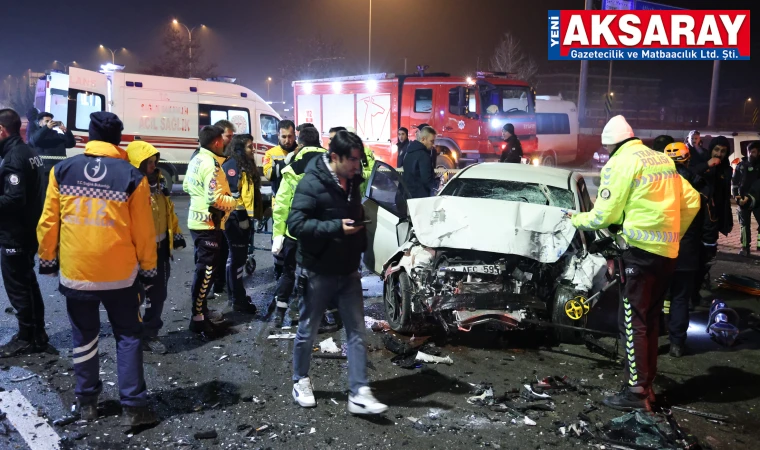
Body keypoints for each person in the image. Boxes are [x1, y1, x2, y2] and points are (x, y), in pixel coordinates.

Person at [569, 115, 700, 411]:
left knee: (632, 322)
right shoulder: (660, 160)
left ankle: (637, 392)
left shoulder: (621, 162)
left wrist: (576, 219)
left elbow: (605, 215)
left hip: (638, 255)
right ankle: (647, 386)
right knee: (650, 321)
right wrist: (673, 232)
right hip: (666, 254)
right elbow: (692, 200)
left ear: (612, 145)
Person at [37, 111, 159, 425]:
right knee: (129, 335)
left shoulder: (63, 170)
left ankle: (87, 402)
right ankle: (134, 407)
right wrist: (148, 271)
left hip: (77, 273)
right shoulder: (132, 176)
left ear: (89, 137)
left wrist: (48, 260)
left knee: (84, 337)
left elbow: (49, 220)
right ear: (119, 140)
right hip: (121, 276)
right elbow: (143, 232)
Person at [287, 130, 387, 415]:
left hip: (348, 269)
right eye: (353, 160)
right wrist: (335, 228)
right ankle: (300, 380)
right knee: (308, 329)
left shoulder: (353, 181)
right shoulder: (311, 182)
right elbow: (296, 225)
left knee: (356, 331)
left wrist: (359, 241)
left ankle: (358, 392)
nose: (358, 165)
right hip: (317, 270)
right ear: (335, 158)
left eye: (359, 159)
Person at [126, 141, 187, 354]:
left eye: (154, 162)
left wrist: (176, 235)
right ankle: (133, 334)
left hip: (160, 249)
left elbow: (168, 212)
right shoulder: (129, 185)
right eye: (148, 163)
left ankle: (150, 333)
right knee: (135, 295)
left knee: (158, 294)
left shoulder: (159, 182)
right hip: (137, 251)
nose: (153, 166)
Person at [0, 109, 49, 357]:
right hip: (30, 230)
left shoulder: (13, 158)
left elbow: (14, 198)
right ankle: (37, 334)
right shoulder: (29, 151)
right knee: (29, 284)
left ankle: (26, 337)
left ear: (2, 130)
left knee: (19, 287)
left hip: (15, 234)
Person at [182, 125, 238, 339]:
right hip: (208, 224)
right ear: (216, 142)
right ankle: (198, 319)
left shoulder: (196, 158)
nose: (226, 143)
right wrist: (233, 201)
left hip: (197, 222)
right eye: (223, 140)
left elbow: (187, 186)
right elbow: (214, 199)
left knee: (202, 270)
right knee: (206, 272)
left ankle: (201, 312)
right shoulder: (211, 164)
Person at [663, 142, 705, 358]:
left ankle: (654, 337)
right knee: (680, 298)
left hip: (662, 248)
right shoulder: (697, 184)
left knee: (660, 296)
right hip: (687, 250)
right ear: (687, 159)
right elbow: (704, 221)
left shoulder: (658, 184)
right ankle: (677, 343)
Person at [689, 135, 733, 302]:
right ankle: (689, 293)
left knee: (706, 261)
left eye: (723, 151)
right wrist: (707, 165)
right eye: (716, 150)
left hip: (713, 224)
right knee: (691, 260)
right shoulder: (701, 164)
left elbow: (724, 199)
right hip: (696, 222)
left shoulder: (726, 169)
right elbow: (689, 174)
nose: (719, 154)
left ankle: (696, 291)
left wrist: (725, 221)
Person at [221, 134, 259, 313]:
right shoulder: (233, 165)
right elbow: (234, 193)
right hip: (235, 221)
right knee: (236, 260)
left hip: (241, 220)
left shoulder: (243, 165)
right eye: (250, 147)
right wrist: (242, 216)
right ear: (239, 149)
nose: (253, 150)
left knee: (236, 260)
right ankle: (237, 299)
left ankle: (236, 296)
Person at [210, 120, 236, 298]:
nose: (231, 140)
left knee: (224, 249)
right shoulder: (207, 157)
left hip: (223, 213)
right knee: (211, 254)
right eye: (229, 136)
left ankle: (220, 283)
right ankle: (209, 287)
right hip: (210, 215)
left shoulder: (226, 156)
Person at [732, 141, 760, 256]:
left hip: (758, 201)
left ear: (759, 153)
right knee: (744, 225)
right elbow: (734, 182)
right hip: (743, 201)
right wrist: (736, 196)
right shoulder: (741, 165)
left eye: (753, 152)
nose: (750, 154)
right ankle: (744, 247)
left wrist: (752, 197)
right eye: (749, 151)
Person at [28, 112, 76, 180]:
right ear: (40, 123)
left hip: (59, 170)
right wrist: (46, 128)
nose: (50, 123)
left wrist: (67, 132)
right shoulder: (37, 136)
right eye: (47, 121)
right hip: (44, 171)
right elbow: (33, 140)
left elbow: (71, 144)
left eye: (51, 121)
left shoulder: (58, 136)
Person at [402, 126, 437, 199]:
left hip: (406, 195)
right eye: (432, 141)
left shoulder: (409, 152)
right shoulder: (424, 155)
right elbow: (426, 180)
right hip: (419, 198)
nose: (433, 145)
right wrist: (436, 184)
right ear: (423, 139)